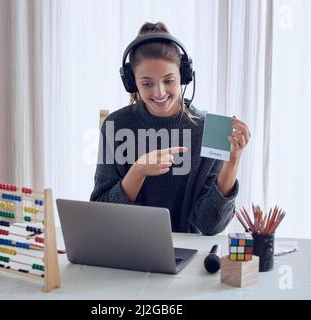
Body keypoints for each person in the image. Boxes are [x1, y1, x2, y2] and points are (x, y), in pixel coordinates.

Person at [90, 22, 251, 235]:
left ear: (184, 76)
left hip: (188, 257)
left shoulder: (209, 129)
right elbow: (101, 218)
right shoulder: (115, 125)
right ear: (131, 82)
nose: (159, 92)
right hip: (129, 251)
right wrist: (137, 172)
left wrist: (233, 161)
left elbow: (210, 225)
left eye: (169, 81)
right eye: (147, 83)